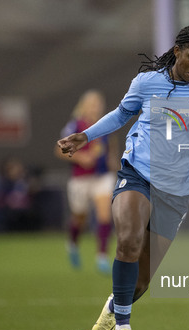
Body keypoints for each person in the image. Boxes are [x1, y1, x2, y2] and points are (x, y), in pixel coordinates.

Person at [58, 25, 189, 330]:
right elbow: (122, 114)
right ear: (178, 50)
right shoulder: (147, 83)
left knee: (140, 283)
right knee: (129, 239)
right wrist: (86, 136)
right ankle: (123, 328)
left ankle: (113, 310)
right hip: (137, 174)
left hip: (176, 192)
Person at [55, 90, 117, 273]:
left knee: (105, 214)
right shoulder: (75, 126)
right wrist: (81, 158)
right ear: (83, 106)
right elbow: (59, 150)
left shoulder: (107, 124)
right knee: (79, 218)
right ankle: (73, 243)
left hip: (102, 176)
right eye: (92, 104)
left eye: (98, 104)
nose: (95, 108)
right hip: (81, 178)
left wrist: (114, 161)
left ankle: (102, 256)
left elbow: (111, 149)